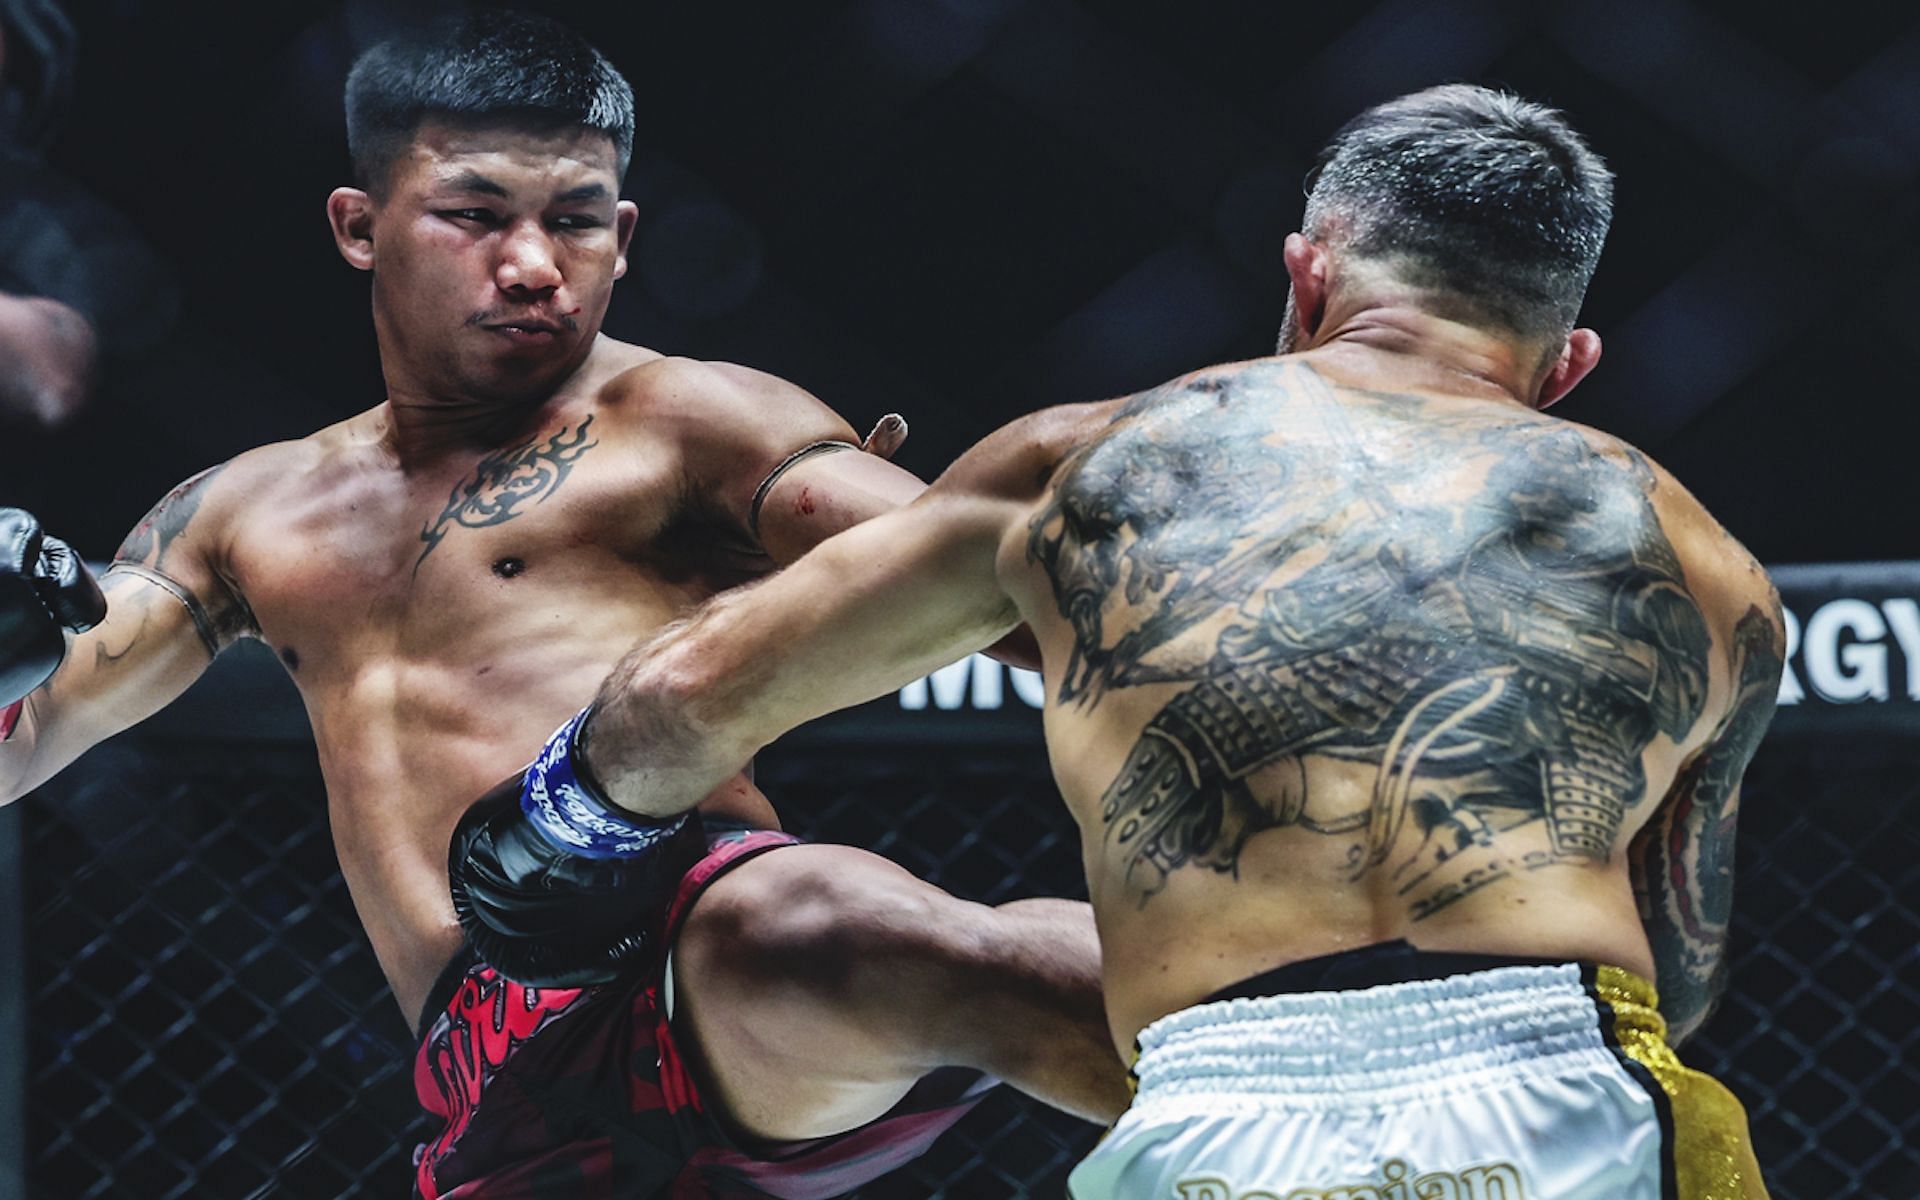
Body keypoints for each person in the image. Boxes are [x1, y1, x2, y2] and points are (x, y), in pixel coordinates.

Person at [539, 85, 1783, 1198]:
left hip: (1214, 1106)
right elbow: (1678, 978)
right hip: (1563, 1089)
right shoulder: (1711, 567)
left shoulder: (1088, 463)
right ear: (1567, 367)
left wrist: (537, 852)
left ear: (1306, 279)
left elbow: (684, 701)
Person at [0, 12, 1125, 1198]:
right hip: (493, 1079)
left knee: (840, 926)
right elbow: (31, 737)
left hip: (696, 954)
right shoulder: (244, 514)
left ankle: (1278, 1089)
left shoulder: (691, 418)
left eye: (576, 217)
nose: (534, 262)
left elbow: (993, 585)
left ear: (625, 235)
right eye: (476, 215)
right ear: (358, 225)